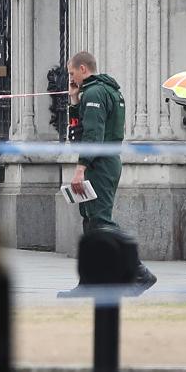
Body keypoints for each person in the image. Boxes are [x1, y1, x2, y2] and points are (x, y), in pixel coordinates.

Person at [66, 51, 157, 293]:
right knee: (91, 221)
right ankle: (89, 283)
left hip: (100, 164)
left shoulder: (95, 92)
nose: (71, 78)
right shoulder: (106, 90)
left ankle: (140, 273)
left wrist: (80, 168)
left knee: (101, 221)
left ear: (83, 69)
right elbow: (83, 126)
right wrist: (75, 100)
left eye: (71, 72)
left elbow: (92, 134)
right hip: (103, 162)